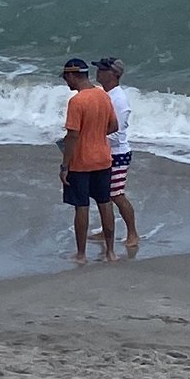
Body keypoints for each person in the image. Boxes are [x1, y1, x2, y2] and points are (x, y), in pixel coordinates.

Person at [56, 60, 119, 263]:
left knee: (81, 207)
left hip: (81, 162)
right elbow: (114, 126)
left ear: (73, 76)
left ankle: (82, 254)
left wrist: (65, 166)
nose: (66, 82)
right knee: (105, 203)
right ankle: (111, 252)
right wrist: (96, 134)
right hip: (103, 159)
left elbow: (73, 136)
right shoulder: (103, 95)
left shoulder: (77, 102)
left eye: (66, 78)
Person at [96, 55, 140, 257]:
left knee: (116, 194)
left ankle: (133, 233)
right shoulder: (105, 95)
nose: (98, 73)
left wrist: (92, 138)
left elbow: (117, 133)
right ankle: (106, 229)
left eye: (102, 70)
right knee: (103, 195)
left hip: (118, 153)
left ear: (113, 74)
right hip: (104, 150)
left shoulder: (119, 99)